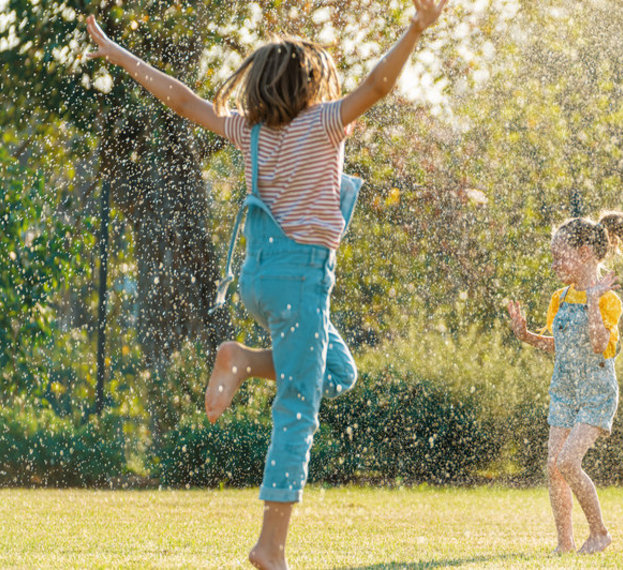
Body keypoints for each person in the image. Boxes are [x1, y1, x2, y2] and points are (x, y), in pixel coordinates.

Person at [85, 3, 450, 568]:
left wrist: (119, 55)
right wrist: (415, 27)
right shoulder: (326, 122)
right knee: (298, 409)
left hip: (258, 280)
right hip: (303, 281)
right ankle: (270, 547)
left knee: (339, 372)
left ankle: (242, 359)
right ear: (310, 84)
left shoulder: (250, 133)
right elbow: (379, 83)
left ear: (260, 84)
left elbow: (180, 98)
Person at [506, 211, 623, 555]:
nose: (554, 263)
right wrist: (527, 336)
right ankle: (564, 544)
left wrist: (593, 298)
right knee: (553, 466)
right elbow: (558, 345)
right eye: (553, 256)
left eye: (560, 255)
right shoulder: (559, 298)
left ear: (585, 253)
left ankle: (600, 532)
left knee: (568, 462)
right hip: (564, 391)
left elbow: (596, 343)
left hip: (595, 395)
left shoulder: (608, 299)